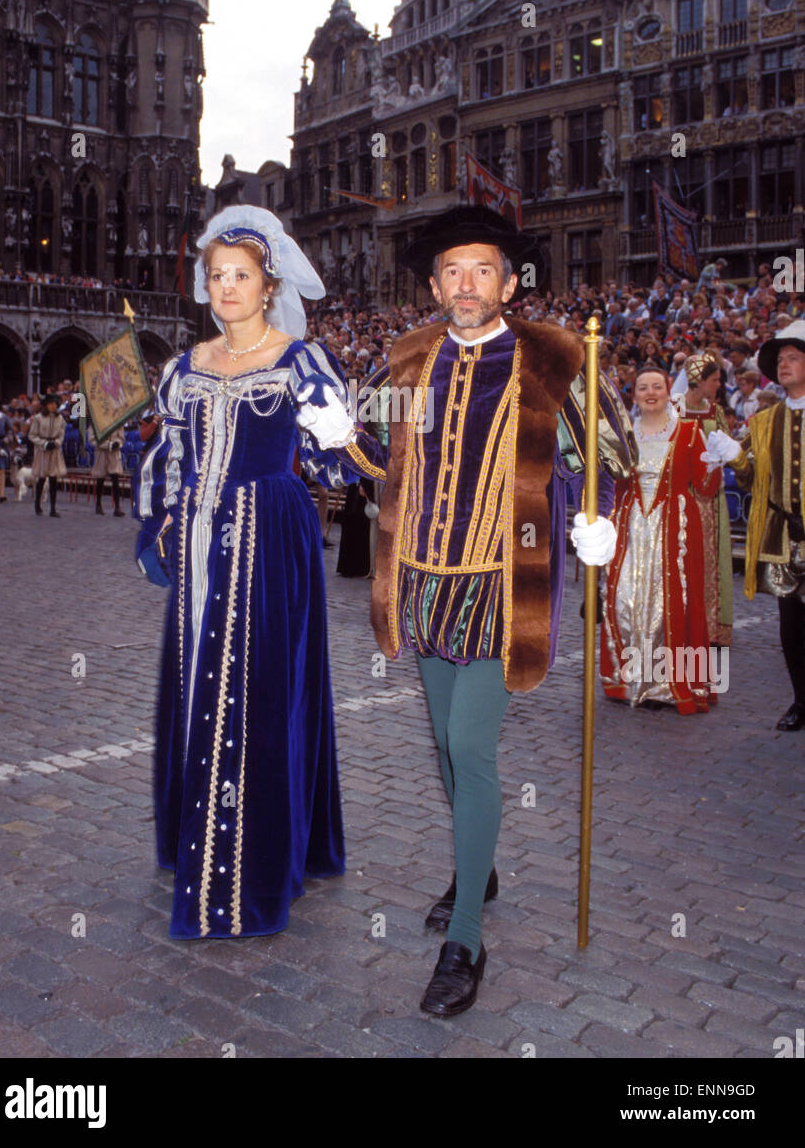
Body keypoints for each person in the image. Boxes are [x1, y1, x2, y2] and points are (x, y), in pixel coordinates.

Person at [295, 206, 635, 1016]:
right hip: (420, 576)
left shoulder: (554, 358)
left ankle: (466, 943)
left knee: (472, 749)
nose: (466, 284)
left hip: (500, 581)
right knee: (445, 744)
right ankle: (475, 868)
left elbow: (607, 455)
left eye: (483, 270)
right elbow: (377, 458)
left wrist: (599, 520)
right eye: (452, 271)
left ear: (509, 282)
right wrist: (343, 433)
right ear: (436, 284)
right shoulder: (411, 358)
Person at [133, 205, 359, 940]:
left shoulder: (299, 360)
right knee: (200, 675)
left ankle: (251, 861)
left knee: (258, 688)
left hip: (268, 536)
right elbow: (168, 462)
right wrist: (160, 523)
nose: (227, 288)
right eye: (216, 275)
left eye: (242, 276)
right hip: (198, 538)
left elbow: (335, 463)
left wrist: (339, 431)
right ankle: (196, 828)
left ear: (269, 285)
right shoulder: (183, 367)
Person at [601, 365, 722, 712]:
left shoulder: (687, 431)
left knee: (672, 604)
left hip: (674, 528)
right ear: (634, 394)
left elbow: (705, 486)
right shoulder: (625, 433)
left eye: (657, 386)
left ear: (668, 392)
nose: (650, 392)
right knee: (625, 599)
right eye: (643, 387)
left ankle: (667, 683)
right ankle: (631, 678)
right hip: (632, 527)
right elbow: (618, 485)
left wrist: (715, 462)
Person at [703, 320, 805, 731]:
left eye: (794, 358)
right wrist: (735, 455)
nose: (784, 365)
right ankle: (801, 700)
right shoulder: (764, 421)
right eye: (780, 359)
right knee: (792, 627)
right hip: (783, 536)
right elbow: (749, 478)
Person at [677, 356, 733, 646]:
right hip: (681, 493)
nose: (719, 385)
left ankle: (711, 625)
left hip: (710, 495)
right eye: (715, 380)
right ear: (700, 381)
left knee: (710, 556)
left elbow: (727, 445)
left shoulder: (716, 411)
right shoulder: (674, 409)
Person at [28, 395, 66, 517]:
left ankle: (53, 508)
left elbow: (61, 434)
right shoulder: (38, 418)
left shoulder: (60, 418)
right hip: (43, 450)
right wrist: (44, 444)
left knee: (54, 479)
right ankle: (37, 504)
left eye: (55, 404)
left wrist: (57, 443)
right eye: (50, 403)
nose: (53, 406)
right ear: (46, 405)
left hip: (54, 450)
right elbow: (32, 435)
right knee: (42, 478)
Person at [92, 427, 126, 516]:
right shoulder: (96, 419)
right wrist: (108, 445)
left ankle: (117, 507)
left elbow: (121, 436)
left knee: (115, 480)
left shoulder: (117, 419)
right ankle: (98, 504)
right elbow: (92, 439)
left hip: (114, 454)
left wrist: (117, 443)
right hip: (101, 453)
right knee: (100, 480)